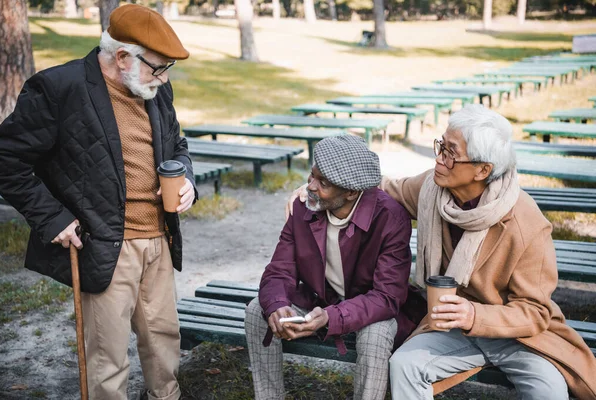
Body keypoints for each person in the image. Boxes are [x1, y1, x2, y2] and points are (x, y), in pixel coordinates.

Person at [0, 5, 196, 400]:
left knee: (164, 342)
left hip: (159, 238)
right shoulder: (58, 88)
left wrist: (185, 176)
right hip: (104, 244)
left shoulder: (154, 88)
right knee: (107, 357)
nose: (165, 77)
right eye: (158, 67)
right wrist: (51, 218)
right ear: (122, 57)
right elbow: (5, 158)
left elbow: (177, 145)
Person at [379, 105, 595, 399]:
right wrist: (320, 187)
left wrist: (473, 314)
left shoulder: (525, 221)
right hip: (451, 326)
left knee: (549, 391)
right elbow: (388, 190)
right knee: (404, 364)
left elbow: (535, 311)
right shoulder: (431, 189)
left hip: (520, 336)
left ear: (483, 170)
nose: (439, 158)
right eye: (441, 145)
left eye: (451, 152)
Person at [246, 134, 423, 400]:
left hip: (371, 309)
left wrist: (333, 316)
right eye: (312, 176)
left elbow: (388, 297)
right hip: (322, 300)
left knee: (376, 334)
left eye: (323, 182)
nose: (310, 187)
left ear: (351, 192)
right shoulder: (303, 206)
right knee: (257, 310)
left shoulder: (391, 218)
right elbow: (280, 268)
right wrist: (276, 304)